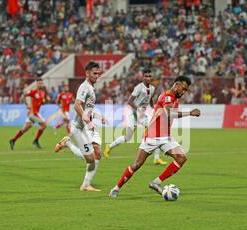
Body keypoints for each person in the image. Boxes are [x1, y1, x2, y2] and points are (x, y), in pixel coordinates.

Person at [109, 75, 201, 198]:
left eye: (186, 90)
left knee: (181, 158)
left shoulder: (176, 99)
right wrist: (190, 113)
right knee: (137, 164)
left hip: (165, 137)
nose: (184, 92)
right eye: (183, 89)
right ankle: (116, 188)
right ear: (177, 84)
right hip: (152, 136)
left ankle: (155, 182)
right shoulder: (167, 96)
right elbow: (169, 113)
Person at [54, 61, 105, 192]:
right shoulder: (84, 87)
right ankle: (68, 144)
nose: (97, 76)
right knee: (90, 158)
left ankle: (86, 185)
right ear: (87, 73)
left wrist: (98, 117)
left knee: (97, 152)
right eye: (94, 73)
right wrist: (89, 122)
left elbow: (87, 109)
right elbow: (77, 106)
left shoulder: (91, 88)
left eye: (98, 74)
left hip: (85, 126)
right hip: (78, 128)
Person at [104, 69, 167, 165]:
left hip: (141, 113)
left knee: (132, 136)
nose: (148, 78)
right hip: (134, 113)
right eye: (146, 76)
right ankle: (156, 157)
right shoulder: (139, 88)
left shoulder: (152, 88)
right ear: (143, 77)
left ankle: (109, 146)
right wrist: (139, 110)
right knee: (148, 132)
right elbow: (130, 101)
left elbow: (149, 100)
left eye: (150, 76)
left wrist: (154, 109)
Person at [9, 79, 48, 150]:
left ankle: (13, 140)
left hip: (36, 113)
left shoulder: (43, 92)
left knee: (25, 129)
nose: (41, 85)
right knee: (44, 125)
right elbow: (23, 95)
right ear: (37, 84)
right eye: (39, 83)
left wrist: (44, 101)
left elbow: (42, 102)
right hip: (33, 113)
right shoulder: (33, 92)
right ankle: (36, 140)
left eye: (41, 83)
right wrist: (27, 104)